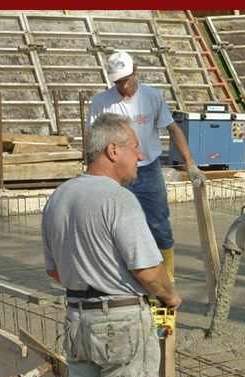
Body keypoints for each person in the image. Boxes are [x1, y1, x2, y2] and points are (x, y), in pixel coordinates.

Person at [42, 113, 182, 377]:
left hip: (78, 322)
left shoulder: (60, 197)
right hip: (121, 325)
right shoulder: (120, 200)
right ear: (112, 149)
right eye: (135, 148)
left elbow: (55, 269)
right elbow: (148, 272)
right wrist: (170, 298)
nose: (141, 156)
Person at [87, 50, 205, 285]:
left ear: (135, 72)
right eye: (118, 82)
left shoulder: (152, 97)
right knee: (115, 227)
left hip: (148, 170)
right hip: (116, 174)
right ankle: (120, 280)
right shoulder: (102, 101)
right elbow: (92, 140)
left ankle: (166, 279)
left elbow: (172, 129)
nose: (123, 86)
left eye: (126, 80)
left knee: (160, 225)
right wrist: (92, 173)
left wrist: (191, 165)